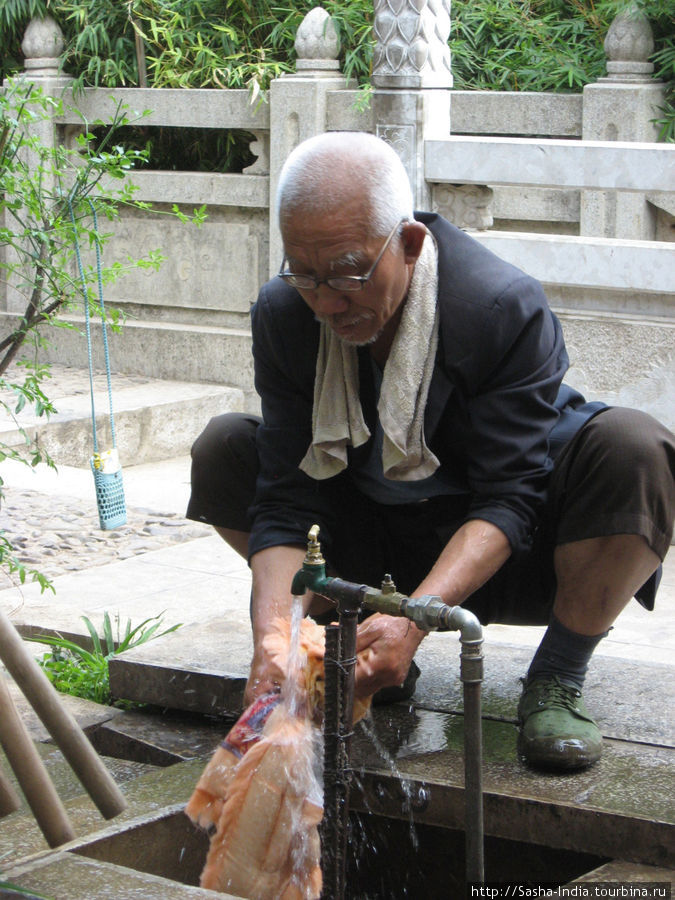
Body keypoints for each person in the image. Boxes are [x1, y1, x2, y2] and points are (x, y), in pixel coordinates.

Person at [187, 131, 674, 772]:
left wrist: (415, 619)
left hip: (509, 550)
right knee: (224, 448)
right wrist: (274, 639)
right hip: (374, 537)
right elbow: (285, 496)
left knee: (637, 449)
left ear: (410, 245)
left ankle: (557, 676)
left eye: (349, 273)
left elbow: (510, 497)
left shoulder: (499, 306)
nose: (328, 303)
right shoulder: (287, 313)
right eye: (305, 275)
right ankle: (355, 645)